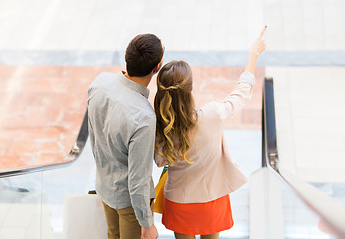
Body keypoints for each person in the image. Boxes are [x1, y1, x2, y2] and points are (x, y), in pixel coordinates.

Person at [154, 27, 267, 239]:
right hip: (211, 198)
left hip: (179, 200)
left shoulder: (160, 125)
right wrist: (253, 54)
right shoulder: (213, 114)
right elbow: (242, 92)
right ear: (190, 89)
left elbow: (160, 162)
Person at [87, 34, 164, 239]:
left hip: (104, 186)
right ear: (157, 67)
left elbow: (94, 137)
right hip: (130, 203)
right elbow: (138, 181)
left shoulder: (99, 83)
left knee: (113, 234)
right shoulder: (144, 117)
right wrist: (147, 225)